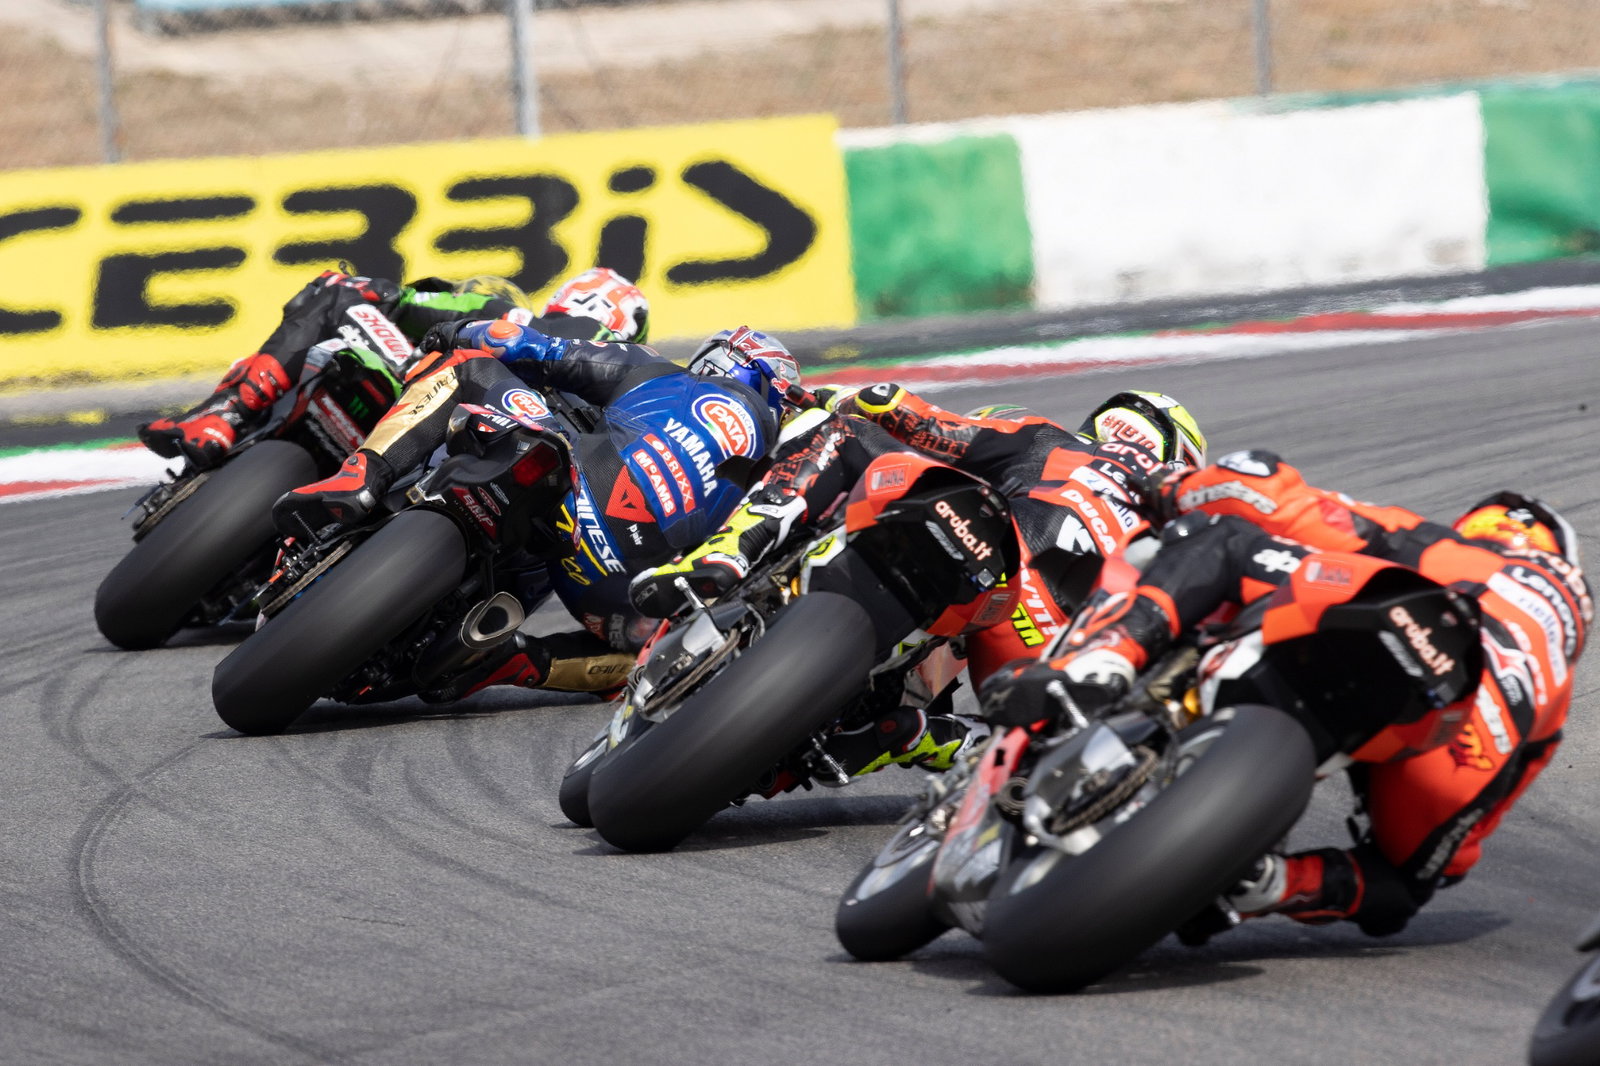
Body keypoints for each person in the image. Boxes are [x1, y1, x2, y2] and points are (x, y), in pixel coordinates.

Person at [982, 449, 1590, 939]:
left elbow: (1302, 510)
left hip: (1377, 638)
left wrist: (1173, 488)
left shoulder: (1471, 556)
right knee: (1403, 884)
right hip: (1461, 741)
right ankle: (1273, 882)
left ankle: (1105, 661)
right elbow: (1462, 841)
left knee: (1221, 537)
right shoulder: (1553, 691)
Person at [627, 384, 1207, 776]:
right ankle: (909, 732)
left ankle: (724, 558)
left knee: (839, 433)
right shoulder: (1180, 536)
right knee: (1038, 748)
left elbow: (908, 414)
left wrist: (833, 398)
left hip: (991, 557)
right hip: (1034, 650)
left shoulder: (1051, 440)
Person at [272, 321, 803, 701]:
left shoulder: (661, 373)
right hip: (614, 587)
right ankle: (516, 659)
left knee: (469, 369)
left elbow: (530, 345)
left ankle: (361, 477)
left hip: (578, 482)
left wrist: (459, 331)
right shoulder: (773, 469)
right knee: (651, 654)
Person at [138, 267, 649, 469]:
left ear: (565, 297)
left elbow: (393, 300)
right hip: (490, 452)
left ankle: (223, 413)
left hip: (423, 383)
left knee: (338, 287)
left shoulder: (511, 317)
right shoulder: (633, 376)